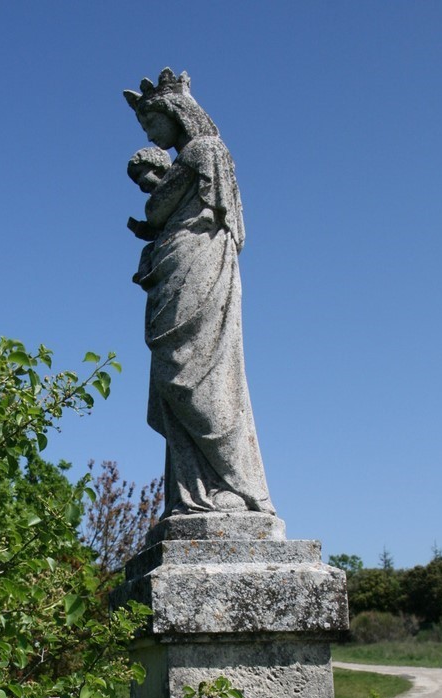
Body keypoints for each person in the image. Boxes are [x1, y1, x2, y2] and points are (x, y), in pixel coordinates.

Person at [124, 69, 275, 517]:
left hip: (199, 262)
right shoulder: (189, 159)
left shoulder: (203, 150)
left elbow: (159, 207)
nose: (149, 134)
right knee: (176, 377)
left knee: (195, 375)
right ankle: (194, 491)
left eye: (151, 122)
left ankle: (238, 486)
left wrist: (155, 206)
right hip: (177, 264)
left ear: (173, 112)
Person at [126, 147, 172, 286]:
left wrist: (144, 229)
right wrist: (140, 229)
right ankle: (144, 275)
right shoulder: (155, 200)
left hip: (178, 235)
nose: (139, 182)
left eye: (140, 174)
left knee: (149, 250)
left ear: (157, 169)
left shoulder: (171, 189)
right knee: (147, 250)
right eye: (136, 179)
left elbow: (158, 221)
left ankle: (147, 276)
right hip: (163, 238)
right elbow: (156, 229)